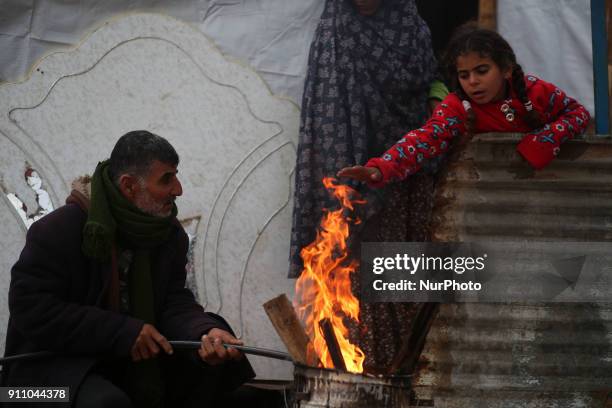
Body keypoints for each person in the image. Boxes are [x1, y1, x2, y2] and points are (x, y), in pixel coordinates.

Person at [3, 131, 255, 407]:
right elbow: (31, 308)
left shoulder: (167, 234)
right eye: (166, 179)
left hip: (120, 364)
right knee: (106, 404)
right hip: (41, 379)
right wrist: (122, 332)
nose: (179, 189)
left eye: (176, 175)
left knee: (218, 360)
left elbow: (172, 300)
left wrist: (204, 333)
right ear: (129, 186)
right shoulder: (58, 230)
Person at [338, 27, 591, 184]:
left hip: (550, 189)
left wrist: (546, 138)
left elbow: (579, 113)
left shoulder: (536, 91)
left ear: (505, 69)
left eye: (482, 71)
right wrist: (380, 168)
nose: (473, 82)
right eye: (464, 74)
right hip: (487, 198)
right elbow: (424, 139)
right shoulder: (457, 107)